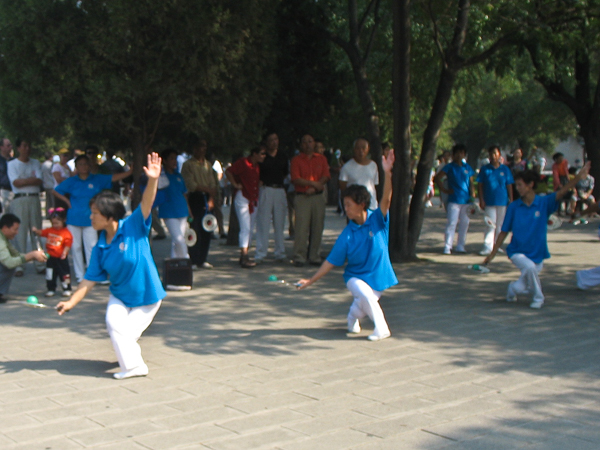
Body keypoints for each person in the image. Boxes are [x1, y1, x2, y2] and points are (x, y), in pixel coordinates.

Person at [56, 153, 166, 380]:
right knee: (114, 324)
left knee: (124, 334)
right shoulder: (100, 248)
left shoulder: (133, 226)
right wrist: (70, 302)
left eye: (95, 213)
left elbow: (146, 203)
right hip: (120, 296)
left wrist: (153, 179)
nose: (91, 216)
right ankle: (134, 365)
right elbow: (88, 281)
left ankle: (132, 364)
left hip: (147, 295)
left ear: (109, 216)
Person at [297, 149, 397, 341]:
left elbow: (386, 198)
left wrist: (387, 173)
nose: (346, 208)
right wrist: (310, 280)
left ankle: (351, 319)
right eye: (345, 204)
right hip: (355, 277)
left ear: (361, 204)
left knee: (361, 307)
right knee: (365, 296)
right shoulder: (347, 234)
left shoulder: (377, 220)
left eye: (349, 204)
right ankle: (382, 328)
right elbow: (331, 261)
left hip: (378, 274)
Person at [484, 162, 591, 309]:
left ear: (530, 184)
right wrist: (493, 253)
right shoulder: (514, 207)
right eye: (516, 185)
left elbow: (562, 191)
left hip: (538, 253)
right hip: (517, 251)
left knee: (522, 284)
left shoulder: (543, 203)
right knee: (529, 268)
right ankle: (538, 297)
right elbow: (503, 232)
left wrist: (578, 177)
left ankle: (512, 289)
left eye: (520, 185)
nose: (517, 188)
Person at [53, 154, 133, 283]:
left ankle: (94, 275)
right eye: (80, 164)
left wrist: (130, 172)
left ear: (90, 166)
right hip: (73, 219)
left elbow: (113, 178)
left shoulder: (96, 179)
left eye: (86, 164)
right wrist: (67, 201)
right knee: (76, 248)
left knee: (92, 247)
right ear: (76, 167)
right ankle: (80, 276)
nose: (83, 167)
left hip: (91, 220)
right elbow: (56, 190)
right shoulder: (72, 181)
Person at [290, 134, 331, 266]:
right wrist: (313, 184)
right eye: (305, 142)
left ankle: (314, 256)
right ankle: (299, 256)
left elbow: (326, 176)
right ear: (301, 145)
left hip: (318, 197)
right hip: (302, 197)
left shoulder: (321, 159)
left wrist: (314, 188)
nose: (308, 144)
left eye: (310, 141)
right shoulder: (296, 160)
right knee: (301, 227)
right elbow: (296, 178)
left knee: (317, 227)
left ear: (314, 143)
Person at [7, 139, 44, 276]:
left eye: (28, 145)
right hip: (19, 198)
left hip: (34, 197)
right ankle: (20, 264)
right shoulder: (12, 164)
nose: (27, 148)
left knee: (36, 230)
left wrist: (25, 181)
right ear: (18, 148)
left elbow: (39, 180)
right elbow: (16, 182)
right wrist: (30, 180)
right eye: (24, 146)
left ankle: (40, 262)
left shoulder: (35, 163)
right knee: (20, 232)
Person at [181, 138, 218, 269]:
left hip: (207, 198)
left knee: (207, 229)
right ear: (195, 148)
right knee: (195, 229)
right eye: (200, 146)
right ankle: (194, 259)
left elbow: (213, 183)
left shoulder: (207, 165)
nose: (203, 149)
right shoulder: (188, 165)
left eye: (205, 147)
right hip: (195, 197)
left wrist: (211, 199)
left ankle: (203, 259)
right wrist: (207, 189)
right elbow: (190, 184)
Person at [226, 146, 266, 268]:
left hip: (252, 198)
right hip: (243, 197)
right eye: (262, 153)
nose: (264, 156)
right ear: (254, 154)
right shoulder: (244, 163)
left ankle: (245, 253)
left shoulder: (256, 167)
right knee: (245, 227)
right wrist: (235, 184)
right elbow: (229, 171)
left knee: (250, 227)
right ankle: (244, 256)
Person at [434, 144, 476, 254]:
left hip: (466, 200)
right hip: (454, 199)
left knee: (465, 223)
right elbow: (437, 177)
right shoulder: (450, 167)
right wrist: (444, 190)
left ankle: (460, 246)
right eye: (457, 153)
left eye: (461, 153)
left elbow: (471, 182)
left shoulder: (467, 167)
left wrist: (473, 194)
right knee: (452, 222)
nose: (459, 155)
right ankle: (447, 246)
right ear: (453, 154)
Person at [255, 132, 289, 264]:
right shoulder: (263, 157)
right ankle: (260, 253)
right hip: (266, 189)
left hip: (279, 189)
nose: (274, 142)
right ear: (267, 142)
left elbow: (285, 172)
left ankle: (280, 252)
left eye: (276, 139)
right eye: (271, 140)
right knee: (263, 222)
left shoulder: (282, 156)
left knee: (279, 223)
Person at [0, 213, 47, 302]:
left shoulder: (3, 237)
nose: (17, 232)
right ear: (5, 228)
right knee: (7, 265)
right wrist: (31, 255)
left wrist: (34, 256)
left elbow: (16, 255)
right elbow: (9, 262)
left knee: (12, 263)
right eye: (15, 229)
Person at [477, 145, 514, 255]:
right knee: (490, 224)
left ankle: (497, 245)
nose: (493, 156)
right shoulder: (485, 169)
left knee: (500, 225)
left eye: (495, 153)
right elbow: (480, 185)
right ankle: (487, 246)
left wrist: (511, 199)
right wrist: (481, 199)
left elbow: (509, 185)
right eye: (491, 154)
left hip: (502, 201)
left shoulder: (505, 169)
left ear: (499, 155)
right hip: (489, 201)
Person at [155, 148, 190, 259]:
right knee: (179, 239)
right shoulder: (160, 175)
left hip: (182, 210)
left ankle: (175, 263)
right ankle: (185, 259)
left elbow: (184, 193)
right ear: (164, 160)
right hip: (168, 211)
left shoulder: (178, 176)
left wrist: (189, 209)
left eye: (175, 158)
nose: (174, 161)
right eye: (171, 159)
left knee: (177, 240)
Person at [32, 208, 73, 297]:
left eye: (57, 223)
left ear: (63, 221)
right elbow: (42, 232)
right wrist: (36, 231)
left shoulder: (66, 233)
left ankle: (67, 288)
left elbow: (67, 244)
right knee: (50, 274)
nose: (55, 225)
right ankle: (51, 289)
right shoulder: (50, 230)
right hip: (50, 257)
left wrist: (65, 252)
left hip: (61, 258)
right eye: (53, 223)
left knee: (65, 275)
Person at [339, 137, 379, 210]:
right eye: (358, 148)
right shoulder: (347, 167)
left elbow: (374, 185)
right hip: (354, 207)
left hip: (371, 206)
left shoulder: (373, 165)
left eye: (363, 148)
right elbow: (343, 188)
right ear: (354, 149)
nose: (361, 151)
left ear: (368, 149)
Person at [0, 138, 13, 214]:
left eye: (11, 145)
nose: (10, 147)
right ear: (1, 147)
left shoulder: (14, 161)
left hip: (14, 192)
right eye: (8, 145)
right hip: (2, 192)